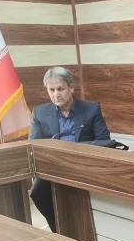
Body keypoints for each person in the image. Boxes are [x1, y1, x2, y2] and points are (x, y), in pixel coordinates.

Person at [29, 67, 110, 231]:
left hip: (84, 165)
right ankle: (58, 228)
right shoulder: (40, 113)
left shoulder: (91, 109)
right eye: (51, 90)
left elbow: (104, 141)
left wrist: (79, 153)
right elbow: (34, 145)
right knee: (37, 193)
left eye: (60, 89)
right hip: (54, 167)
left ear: (71, 87)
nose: (56, 95)